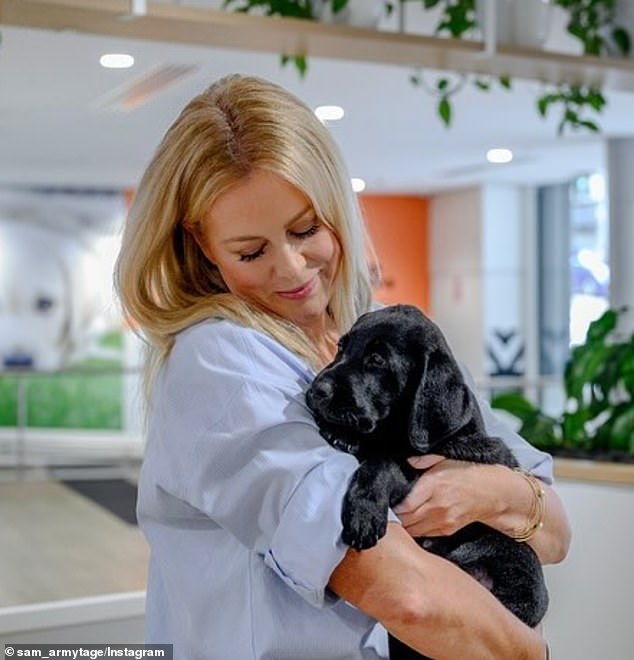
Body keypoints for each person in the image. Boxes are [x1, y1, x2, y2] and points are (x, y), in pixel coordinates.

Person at [114, 74, 571, 660]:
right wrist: (530, 653)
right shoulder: (220, 361)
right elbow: (407, 595)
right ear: (201, 244)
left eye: (307, 230)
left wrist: (488, 487)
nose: (291, 269)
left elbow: (555, 532)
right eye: (250, 252)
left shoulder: (378, 330)